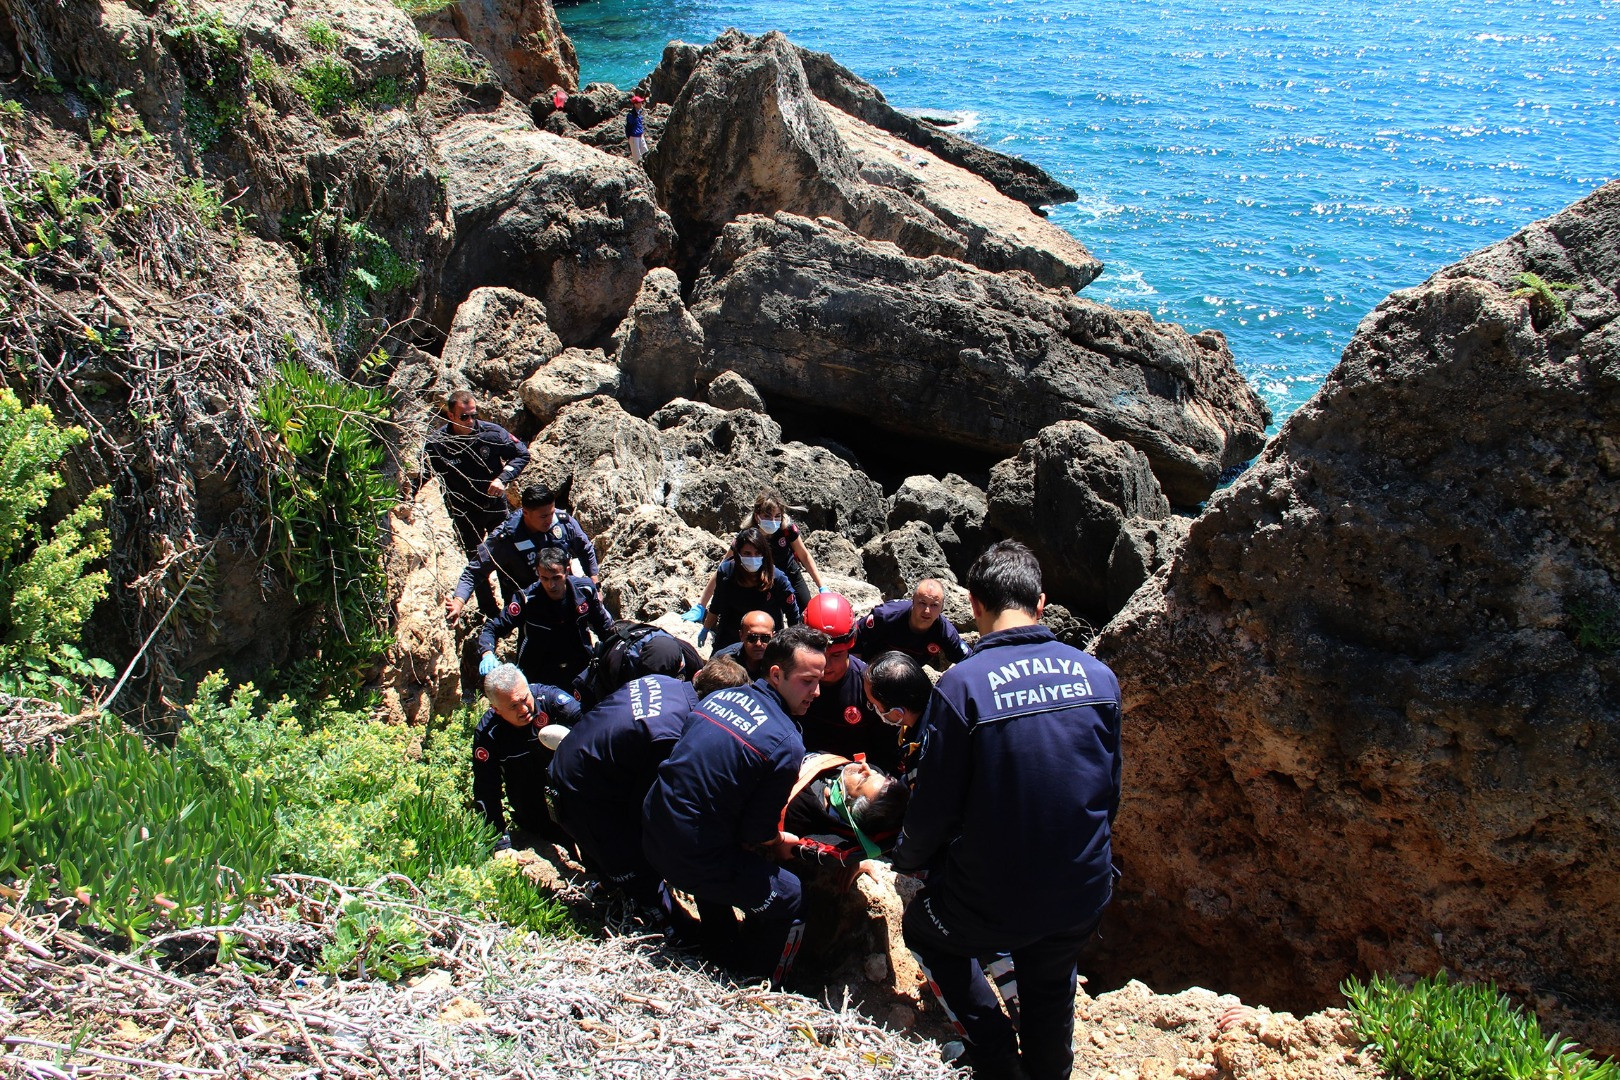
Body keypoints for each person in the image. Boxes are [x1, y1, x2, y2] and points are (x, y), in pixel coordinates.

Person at [892, 540, 1123, 1080]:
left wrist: (907, 857)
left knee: (926, 931)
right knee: (1050, 973)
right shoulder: (1098, 676)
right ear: (1041, 603)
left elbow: (935, 809)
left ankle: (995, 1057)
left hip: (993, 900)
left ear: (973, 604)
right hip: (1082, 892)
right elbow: (1107, 795)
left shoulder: (963, 685)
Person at [641, 625, 829, 983]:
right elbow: (757, 832)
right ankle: (763, 983)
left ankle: (721, 946)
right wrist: (780, 843)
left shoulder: (718, 698)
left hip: (653, 829)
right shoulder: (786, 741)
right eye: (807, 682)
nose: (816, 692)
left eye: (819, 682)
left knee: (722, 854)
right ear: (776, 675)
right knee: (791, 898)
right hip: (689, 854)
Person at [548, 669, 706, 905]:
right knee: (638, 874)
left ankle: (610, 884)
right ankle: (676, 931)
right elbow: (644, 802)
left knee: (616, 856)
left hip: (572, 763)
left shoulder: (661, 681)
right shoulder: (672, 731)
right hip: (580, 795)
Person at [447, 483, 600, 622]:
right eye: (543, 516)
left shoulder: (563, 522)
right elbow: (475, 570)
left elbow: (585, 549)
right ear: (526, 513)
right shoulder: (506, 538)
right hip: (529, 604)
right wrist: (458, 602)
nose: (549, 520)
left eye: (551, 513)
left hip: (564, 595)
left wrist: (594, 585)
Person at [472, 663, 583, 850]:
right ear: (496, 709)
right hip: (532, 805)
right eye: (514, 705)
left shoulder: (551, 700)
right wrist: (499, 843)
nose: (524, 709)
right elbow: (486, 790)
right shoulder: (488, 735)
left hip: (573, 793)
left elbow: (593, 725)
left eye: (525, 699)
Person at [476, 548, 613, 691]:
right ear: (538, 573)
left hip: (580, 667)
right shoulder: (526, 600)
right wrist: (487, 653)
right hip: (538, 673)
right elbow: (493, 627)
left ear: (567, 571)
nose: (551, 585)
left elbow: (603, 624)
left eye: (556, 578)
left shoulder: (585, 590)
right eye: (544, 578)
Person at [797, 592, 899, 775]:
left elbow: (888, 752)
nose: (825, 665)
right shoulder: (791, 677)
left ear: (849, 647)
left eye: (836, 655)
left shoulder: (869, 687)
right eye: (819, 654)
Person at [422, 390, 530, 556]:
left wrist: (503, 479)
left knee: (508, 554)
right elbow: (424, 473)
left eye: (474, 415)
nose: (471, 421)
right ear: (451, 416)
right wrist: (406, 496)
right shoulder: (437, 444)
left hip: (494, 506)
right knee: (476, 559)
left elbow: (521, 454)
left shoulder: (491, 433)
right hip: (464, 512)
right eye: (464, 417)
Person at [779, 753, 909, 878]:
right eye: (875, 773)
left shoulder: (797, 812)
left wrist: (855, 859)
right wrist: (857, 859)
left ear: (848, 806)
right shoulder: (862, 779)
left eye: (863, 779)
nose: (865, 767)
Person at [691, 493, 827, 613]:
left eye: (777, 516)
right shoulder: (747, 536)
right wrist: (701, 605)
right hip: (762, 580)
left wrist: (822, 587)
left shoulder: (787, 530)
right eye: (767, 516)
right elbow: (723, 568)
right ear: (757, 516)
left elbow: (804, 556)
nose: (773, 521)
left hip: (790, 573)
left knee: (806, 612)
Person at [688, 527, 800, 650]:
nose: (753, 558)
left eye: (758, 553)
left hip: (766, 639)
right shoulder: (726, 573)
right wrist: (706, 629)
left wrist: (791, 645)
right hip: (732, 634)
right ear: (738, 554)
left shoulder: (777, 579)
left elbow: (792, 614)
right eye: (747, 553)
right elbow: (716, 605)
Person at [851, 579, 968, 669]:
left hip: (906, 676)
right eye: (922, 603)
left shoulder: (945, 632)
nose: (927, 611)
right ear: (913, 601)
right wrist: (859, 670)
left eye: (934, 605)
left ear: (942, 607)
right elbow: (854, 634)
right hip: (870, 666)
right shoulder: (886, 616)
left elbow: (968, 660)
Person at [862, 650, 934, 789]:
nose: (872, 709)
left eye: (874, 705)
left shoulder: (923, 757)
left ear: (897, 713)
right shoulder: (942, 704)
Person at [712, 610, 775, 680]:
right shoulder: (722, 660)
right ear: (741, 635)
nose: (758, 643)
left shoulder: (780, 661)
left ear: (773, 636)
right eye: (752, 637)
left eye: (765, 638)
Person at [626, 93, 647, 163]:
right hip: (634, 137)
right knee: (636, 157)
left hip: (640, 135)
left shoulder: (639, 113)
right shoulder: (631, 115)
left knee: (645, 152)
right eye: (639, 103)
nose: (641, 104)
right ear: (635, 104)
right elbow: (630, 126)